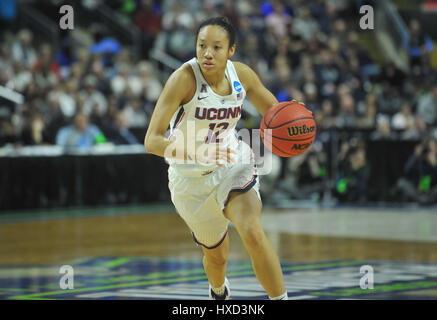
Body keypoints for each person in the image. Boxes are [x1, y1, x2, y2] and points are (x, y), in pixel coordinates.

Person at [144, 17, 287, 300]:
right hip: (189, 179)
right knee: (217, 256)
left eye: (216, 47)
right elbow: (152, 141)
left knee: (252, 231)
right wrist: (198, 152)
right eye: (202, 46)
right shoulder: (183, 79)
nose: (207, 53)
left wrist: (294, 119)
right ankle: (219, 292)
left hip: (232, 164)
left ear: (231, 50)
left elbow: (276, 113)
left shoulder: (242, 75)